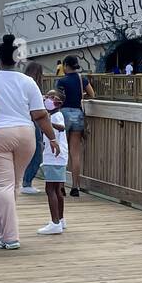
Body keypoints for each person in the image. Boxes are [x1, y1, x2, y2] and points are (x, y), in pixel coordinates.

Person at [0, 35, 58, 250]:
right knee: (12, 185)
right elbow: (40, 115)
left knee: (1, 187)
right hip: (25, 135)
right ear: (17, 60)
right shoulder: (27, 82)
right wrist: (52, 138)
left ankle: (10, 236)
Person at [56, 54, 94, 198]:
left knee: (62, 151)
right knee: (75, 153)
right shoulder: (81, 79)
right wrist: (80, 95)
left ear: (65, 65)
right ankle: (75, 187)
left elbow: (57, 99)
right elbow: (92, 94)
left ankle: (60, 186)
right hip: (78, 114)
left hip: (64, 115)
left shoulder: (62, 81)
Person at [37, 90, 69, 234]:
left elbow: (61, 128)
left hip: (54, 157)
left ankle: (55, 222)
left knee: (50, 189)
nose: (48, 99)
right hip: (59, 157)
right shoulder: (54, 115)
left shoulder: (56, 116)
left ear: (59, 103)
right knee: (58, 189)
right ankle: (60, 219)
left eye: (52, 97)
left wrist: (49, 122)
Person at [20, 61, 46, 195]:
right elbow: (37, 110)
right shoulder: (33, 84)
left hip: (20, 122)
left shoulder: (21, 83)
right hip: (32, 121)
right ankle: (27, 182)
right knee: (37, 152)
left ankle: (24, 181)